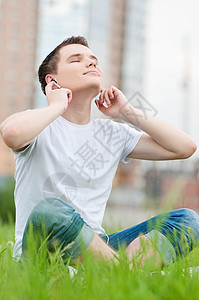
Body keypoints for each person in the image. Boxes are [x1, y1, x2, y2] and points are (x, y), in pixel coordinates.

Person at [0, 36, 199, 268]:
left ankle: (109, 271)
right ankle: (127, 271)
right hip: (42, 249)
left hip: (97, 246)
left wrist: (128, 111)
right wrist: (56, 105)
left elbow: (185, 148)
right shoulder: (37, 124)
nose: (91, 63)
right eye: (77, 60)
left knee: (186, 220)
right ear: (52, 81)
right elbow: (12, 133)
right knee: (50, 211)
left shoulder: (112, 133)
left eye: (94, 60)